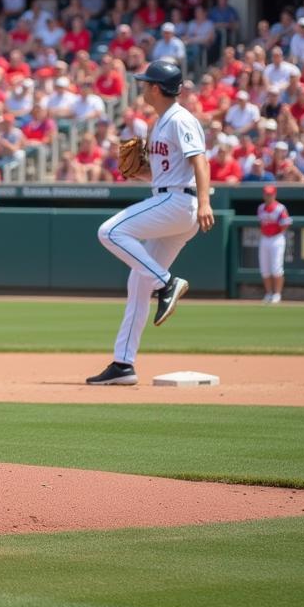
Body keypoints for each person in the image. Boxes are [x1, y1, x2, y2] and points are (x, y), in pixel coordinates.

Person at [88, 60, 213, 386]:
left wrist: (204, 202)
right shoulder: (159, 123)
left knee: (110, 231)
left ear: (156, 89)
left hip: (179, 202)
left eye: (145, 83)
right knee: (138, 284)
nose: (142, 87)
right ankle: (123, 364)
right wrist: (137, 171)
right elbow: (159, 175)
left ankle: (168, 283)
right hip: (170, 198)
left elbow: (199, 159)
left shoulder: (180, 119)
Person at [257, 184, 291, 304]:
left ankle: (277, 294)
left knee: (276, 268)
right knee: (265, 269)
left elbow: (286, 223)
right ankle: (268, 293)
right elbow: (260, 223)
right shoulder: (261, 208)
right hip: (265, 238)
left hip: (277, 238)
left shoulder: (280, 208)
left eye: (270, 194)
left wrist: (278, 233)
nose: (268, 196)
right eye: (266, 194)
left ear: (274, 195)